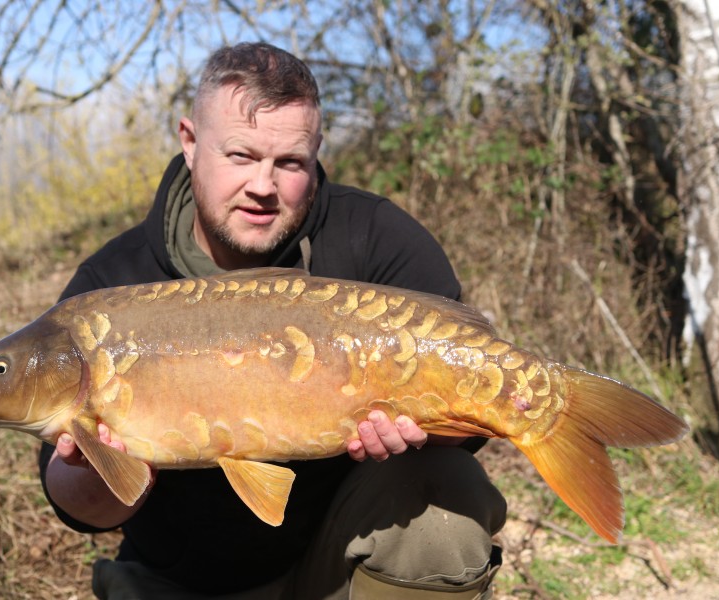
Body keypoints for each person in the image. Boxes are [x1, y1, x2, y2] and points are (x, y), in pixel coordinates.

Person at [38, 42, 507, 599]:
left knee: (445, 492)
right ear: (190, 142)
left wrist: (427, 429)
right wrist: (104, 463)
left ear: (315, 153)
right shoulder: (111, 287)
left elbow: (476, 389)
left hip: (341, 560)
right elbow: (79, 507)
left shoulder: (377, 243)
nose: (263, 186)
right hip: (183, 579)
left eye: (289, 163)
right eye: (240, 155)